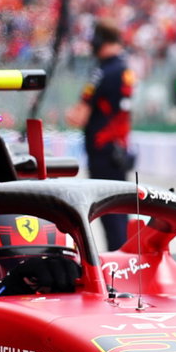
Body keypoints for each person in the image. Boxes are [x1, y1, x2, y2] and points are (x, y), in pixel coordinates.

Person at [66, 21, 135, 250]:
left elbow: (79, 117)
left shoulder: (102, 73)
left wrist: (71, 114)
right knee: (121, 212)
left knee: (108, 213)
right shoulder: (125, 69)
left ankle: (117, 266)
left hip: (102, 151)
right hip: (120, 149)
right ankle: (126, 262)